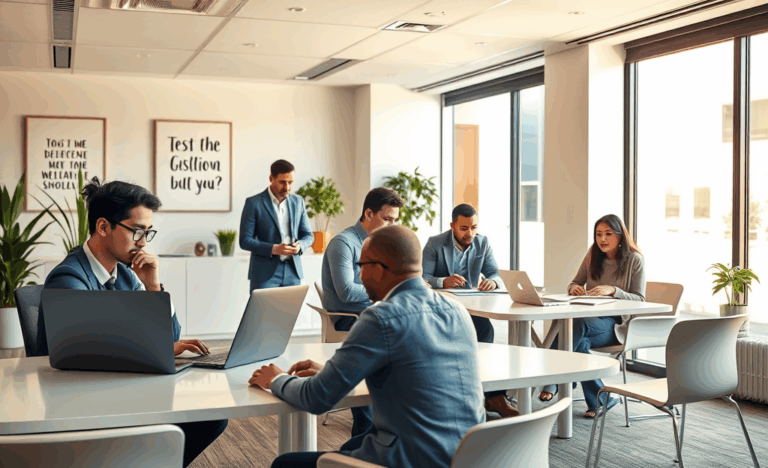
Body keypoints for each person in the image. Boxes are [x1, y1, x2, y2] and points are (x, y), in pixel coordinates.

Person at [251, 225, 485, 468]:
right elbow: (414, 374)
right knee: (350, 446)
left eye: (360, 266)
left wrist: (276, 380)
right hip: (468, 456)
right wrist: (334, 372)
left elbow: (317, 399)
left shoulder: (381, 317)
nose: (359, 276)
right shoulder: (458, 310)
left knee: (285, 464)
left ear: (378, 268)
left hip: (412, 459)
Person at [38, 178, 228, 468]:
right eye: (137, 232)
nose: (142, 242)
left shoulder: (127, 274)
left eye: (147, 233)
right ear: (103, 227)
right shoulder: (69, 279)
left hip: (119, 394)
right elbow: (89, 354)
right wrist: (160, 347)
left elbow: (169, 335)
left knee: (212, 417)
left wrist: (153, 287)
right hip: (81, 406)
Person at [538, 214, 646, 418]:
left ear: (620, 236)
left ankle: (551, 379)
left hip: (617, 326)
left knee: (576, 327)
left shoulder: (635, 260)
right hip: (589, 319)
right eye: (598, 234)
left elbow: (640, 299)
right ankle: (602, 399)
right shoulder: (592, 255)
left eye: (608, 234)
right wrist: (575, 288)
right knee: (577, 341)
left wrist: (613, 291)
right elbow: (574, 282)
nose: (602, 239)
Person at [319, 187, 404, 437]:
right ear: (368, 213)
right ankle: (365, 435)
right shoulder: (343, 244)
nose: (391, 225)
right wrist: (385, 289)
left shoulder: (382, 244)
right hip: (349, 319)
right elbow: (345, 292)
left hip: (375, 314)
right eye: (387, 219)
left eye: (395, 221)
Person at [422, 203, 518, 417]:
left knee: (485, 332)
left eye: (474, 227)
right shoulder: (435, 244)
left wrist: (492, 282)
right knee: (469, 336)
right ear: (452, 226)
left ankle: (492, 397)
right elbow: (423, 279)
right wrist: (443, 281)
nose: (470, 233)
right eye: (464, 228)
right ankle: (469, 396)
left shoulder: (482, 243)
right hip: (441, 308)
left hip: (472, 306)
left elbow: (495, 273)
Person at [239, 159, 314, 293]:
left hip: (293, 271)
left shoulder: (298, 202)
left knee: (290, 314)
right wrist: (274, 249)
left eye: (290, 182)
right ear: (271, 178)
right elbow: (245, 240)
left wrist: (300, 245)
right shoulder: (254, 203)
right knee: (263, 314)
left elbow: (308, 235)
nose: (287, 188)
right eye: (282, 182)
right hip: (264, 274)